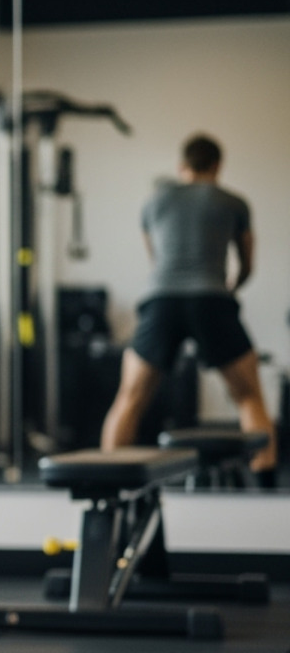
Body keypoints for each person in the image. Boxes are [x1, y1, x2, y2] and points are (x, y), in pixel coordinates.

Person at [101, 134, 277, 482]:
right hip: (212, 299)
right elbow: (246, 264)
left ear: (182, 166)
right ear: (217, 165)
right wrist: (230, 288)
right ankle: (266, 483)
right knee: (249, 397)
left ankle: (106, 482)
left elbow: (156, 261)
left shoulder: (154, 202)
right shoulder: (233, 202)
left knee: (130, 397)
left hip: (161, 300)